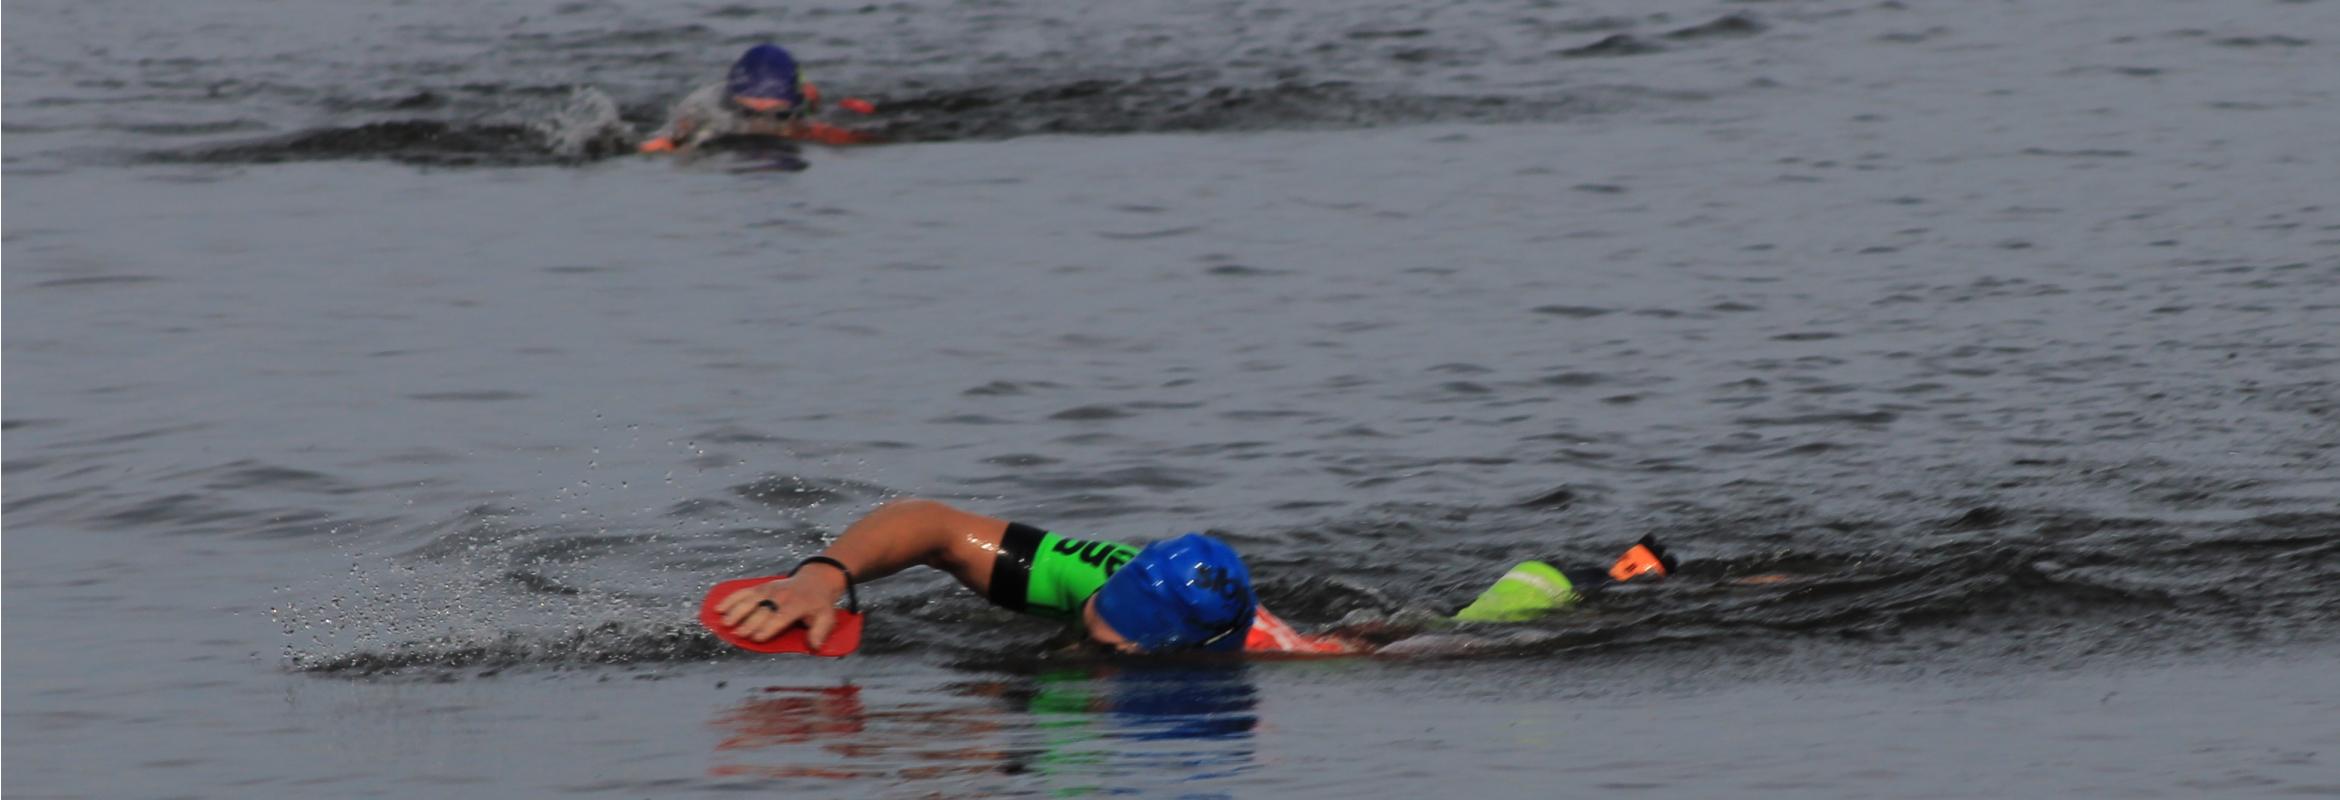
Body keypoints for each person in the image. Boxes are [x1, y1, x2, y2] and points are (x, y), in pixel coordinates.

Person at [711, 499, 1678, 656]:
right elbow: (927, 523)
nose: (1086, 631)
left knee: (1491, 618)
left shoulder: (1269, 654)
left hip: (1399, 637)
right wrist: (823, 577)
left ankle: (1626, 573)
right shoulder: (1099, 577)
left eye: (1107, 644)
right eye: (1091, 617)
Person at [638, 43, 875, 154]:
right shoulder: (706, 122)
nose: (763, 124)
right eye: (748, 113)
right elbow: (655, 146)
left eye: (778, 115)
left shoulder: (822, 125)